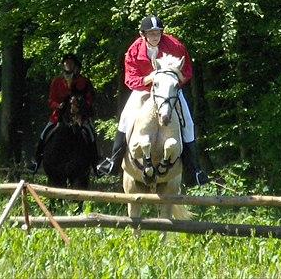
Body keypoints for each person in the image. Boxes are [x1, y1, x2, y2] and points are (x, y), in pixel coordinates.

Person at [97, 16, 209, 185]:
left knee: (188, 121)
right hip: (143, 90)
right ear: (143, 34)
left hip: (168, 91)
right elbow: (130, 79)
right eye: (151, 33)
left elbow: (186, 70)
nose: (156, 36)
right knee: (126, 118)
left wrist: (175, 78)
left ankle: (195, 170)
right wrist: (149, 78)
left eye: (158, 33)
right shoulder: (134, 50)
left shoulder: (175, 45)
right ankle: (113, 161)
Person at [26, 53, 98, 174]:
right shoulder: (57, 81)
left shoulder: (84, 81)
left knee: (91, 134)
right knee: (44, 134)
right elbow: (51, 100)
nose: (68, 65)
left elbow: (90, 98)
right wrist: (58, 105)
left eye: (70, 63)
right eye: (66, 63)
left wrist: (81, 105)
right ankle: (36, 161)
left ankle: (96, 164)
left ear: (75, 65)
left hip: (79, 116)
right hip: (59, 116)